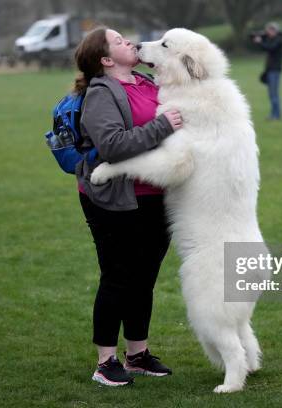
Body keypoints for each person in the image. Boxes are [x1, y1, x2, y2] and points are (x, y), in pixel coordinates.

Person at [72, 27, 183, 387]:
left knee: (144, 277)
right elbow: (114, 147)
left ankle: (137, 355)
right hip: (114, 200)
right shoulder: (102, 93)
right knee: (118, 277)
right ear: (106, 60)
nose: (129, 42)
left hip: (156, 197)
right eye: (119, 42)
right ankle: (106, 362)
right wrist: (163, 125)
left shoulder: (146, 82)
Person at [254, 22, 282, 121]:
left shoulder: (279, 40)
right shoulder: (273, 39)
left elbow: (270, 47)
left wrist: (260, 41)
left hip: (274, 70)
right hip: (270, 70)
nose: (268, 33)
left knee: (273, 93)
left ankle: (275, 115)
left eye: (269, 31)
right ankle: (276, 114)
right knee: (272, 93)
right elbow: (266, 46)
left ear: (274, 30)